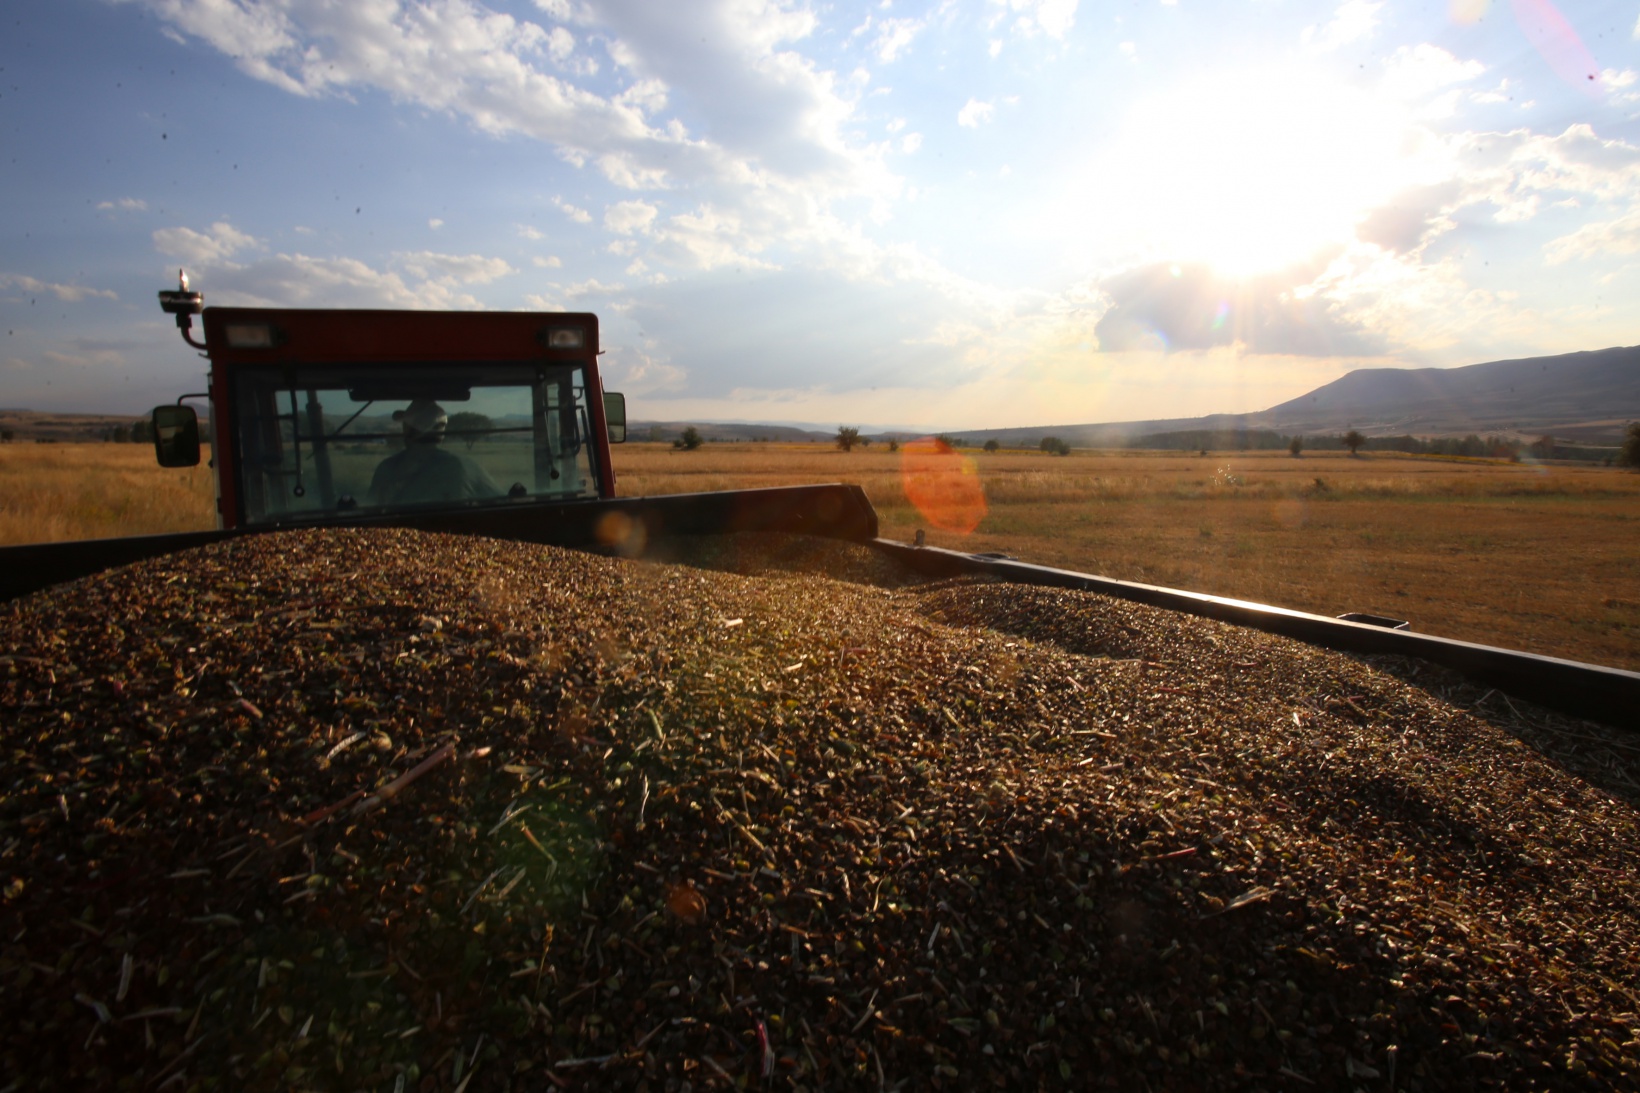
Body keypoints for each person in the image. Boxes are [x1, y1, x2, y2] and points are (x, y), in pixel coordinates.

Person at [368, 399, 501, 506]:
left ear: (408, 430)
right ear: (441, 434)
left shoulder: (387, 467)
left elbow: (370, 509)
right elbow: (501, 500)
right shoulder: (464, 465)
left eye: (405, 425)